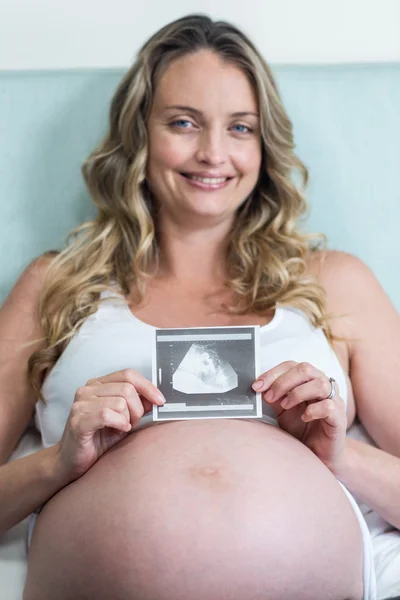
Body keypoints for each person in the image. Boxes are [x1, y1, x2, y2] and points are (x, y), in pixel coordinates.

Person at [0, 13, 399, 600]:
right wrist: (60, 462)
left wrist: (339, 455)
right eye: (184, 122)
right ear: (139, 133)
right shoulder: (55, 284)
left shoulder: (334, 282)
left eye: (240, 128)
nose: (213, 153)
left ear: (264, 145)